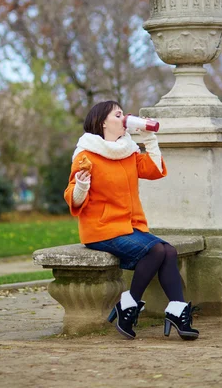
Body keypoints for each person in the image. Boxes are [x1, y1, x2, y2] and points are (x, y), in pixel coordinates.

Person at [64, 100, 199, 341]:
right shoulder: (86, 155)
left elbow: (154, 170)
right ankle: (129, 304)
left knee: (169, 251)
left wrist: (150, 139)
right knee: (156, 250)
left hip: (131, 227)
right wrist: (82, 185)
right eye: (118, 115)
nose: (124, 118)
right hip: (102, 229)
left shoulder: (128, 151)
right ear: (103, 122)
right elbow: (73, 200)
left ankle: (176, 310)